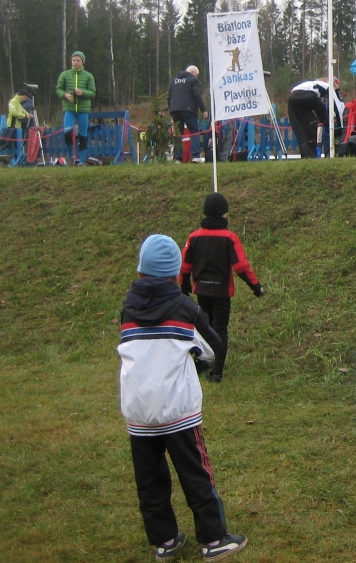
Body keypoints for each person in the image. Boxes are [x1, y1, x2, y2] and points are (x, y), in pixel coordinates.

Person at [118, 234, 247, 561]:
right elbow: (214, 347)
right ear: (176, 273)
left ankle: (164, 541)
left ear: (140, 271)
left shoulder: (128, 309)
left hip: (138, 409)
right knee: (196, 473)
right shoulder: (185, 309)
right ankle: (214, 539)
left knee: (149, 480)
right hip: (178, 411)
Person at [180, 193, 264, 384]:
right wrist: (256, 287)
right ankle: (217, 371)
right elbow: (241, 266)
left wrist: (184, 286)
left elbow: (185, 266)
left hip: (202, 290)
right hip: (221, 292)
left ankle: (201, 362)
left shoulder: (194, 237)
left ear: (205, 213)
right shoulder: (229, 238)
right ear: (225, 214)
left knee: (204, 326)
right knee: (220, 329)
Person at [55, 51, 97, 164]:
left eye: (78, 60)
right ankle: (71, 157)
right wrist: (65, 95)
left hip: (83, 110)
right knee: (67, 133)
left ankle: (82, 160)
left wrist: (82, 92)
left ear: (83, 62)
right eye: (73, 60)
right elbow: (59, 89)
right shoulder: (65, 75)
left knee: (83, 135)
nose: (75, 63)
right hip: (69, 109)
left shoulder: (88, 76)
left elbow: (93, 92)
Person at [287, 78, 337, 159]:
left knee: (300, 129)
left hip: (293, 98)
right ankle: (311, 155)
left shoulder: (309, 84)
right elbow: (324, 110)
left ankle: (306, 155)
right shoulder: (326, 86)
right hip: (308, 96)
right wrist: (329, 125)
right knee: (313, 123)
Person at [169, 66, 208, 163]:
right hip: (188, 109)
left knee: (179, 133)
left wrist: (171, 110)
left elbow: (169, 96)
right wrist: (203, 109)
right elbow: (197, 95)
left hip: (174, 110)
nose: (196, 77)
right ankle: (195, 156)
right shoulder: (192, 80)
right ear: (192, 72)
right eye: (196, 75)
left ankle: (178, 158)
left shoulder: (174, 81)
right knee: (195, 131)